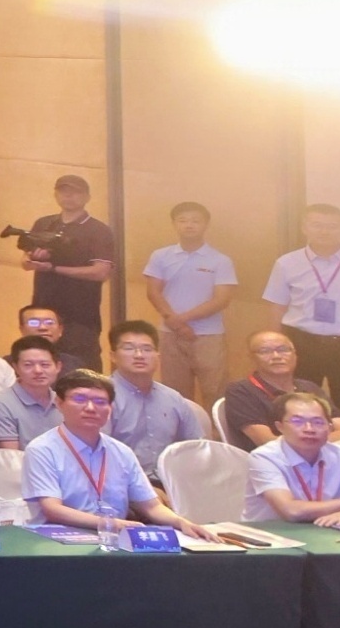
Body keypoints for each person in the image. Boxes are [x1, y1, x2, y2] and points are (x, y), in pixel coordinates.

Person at [17, 374, 204, 540]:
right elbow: (52, 510)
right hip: (57, 541)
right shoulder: (42, 449)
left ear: (110, 408)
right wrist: (111, 523)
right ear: (59, 403)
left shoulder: (121, 452)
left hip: (113, 540)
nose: (90, 408)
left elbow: (151, 506)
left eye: (100, 402)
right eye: (79, 399)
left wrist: (181, 522)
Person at [259, 205, 340, 423]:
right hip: (300, 342)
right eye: (317, 225)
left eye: (332, 226)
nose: (324, 231)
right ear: (304, 228)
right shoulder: (286, 264)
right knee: (295, 408)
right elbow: (276, 308)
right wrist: (273, 350)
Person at [142, 200, 236, 411]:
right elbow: (153, 292)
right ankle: (181, 432)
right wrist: (175, 324)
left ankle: (215, 431)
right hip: (170, 334)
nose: (189, 225)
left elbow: (222, 300)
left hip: (209, 336)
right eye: (182, 220)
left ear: (206, 225)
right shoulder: (160, 256)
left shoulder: (220, 260)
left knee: (215, 391)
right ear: (174, 224)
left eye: (195, 221)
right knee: (175, 394)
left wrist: (181, 320)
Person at [247, 390, 340, 530]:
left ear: (330, 428)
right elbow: (291, 511)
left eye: (318, 422)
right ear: (280, 427)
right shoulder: (265, 457)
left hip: (326, 535)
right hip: (267, 537)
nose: (309, 429)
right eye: (297, 421)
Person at [18, 173, 115, 352]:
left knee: (81, 363)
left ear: (87, 197)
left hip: (80, 316)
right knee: (40, 359)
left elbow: (101, 272)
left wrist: (54, 268)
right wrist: (34, 259)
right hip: (42, 310)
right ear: (55, 195)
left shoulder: (99, 230)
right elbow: (25, 261)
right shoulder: (43, 223)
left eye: (75, 192)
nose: (68, 196)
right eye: (63, 191)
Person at [100, 322, 212, 461]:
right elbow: (95, 454)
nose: (139, 355)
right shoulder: (100, 398)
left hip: (168, 474)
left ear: (157, 356)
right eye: (129, 348)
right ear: (113, 356)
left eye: (147, 349)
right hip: (118, 474)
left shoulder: (173, 398)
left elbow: (197, 449)